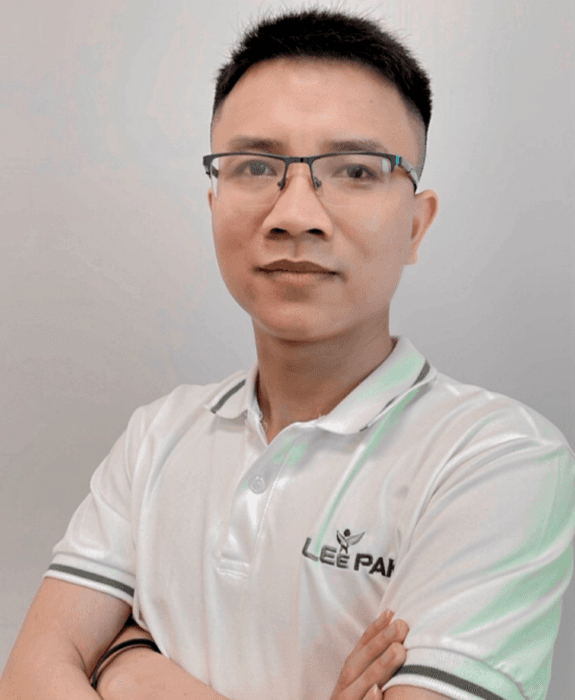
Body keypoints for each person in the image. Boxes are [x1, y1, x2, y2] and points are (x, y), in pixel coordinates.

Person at [1, 8, 574, 700]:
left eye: (355, 170)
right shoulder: (157, 436)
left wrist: (126, 667)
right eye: (254, 166)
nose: (294, 215)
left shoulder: (497, 458)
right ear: (213, 203)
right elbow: (29, 677)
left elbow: (69, 663)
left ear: (416, 226)